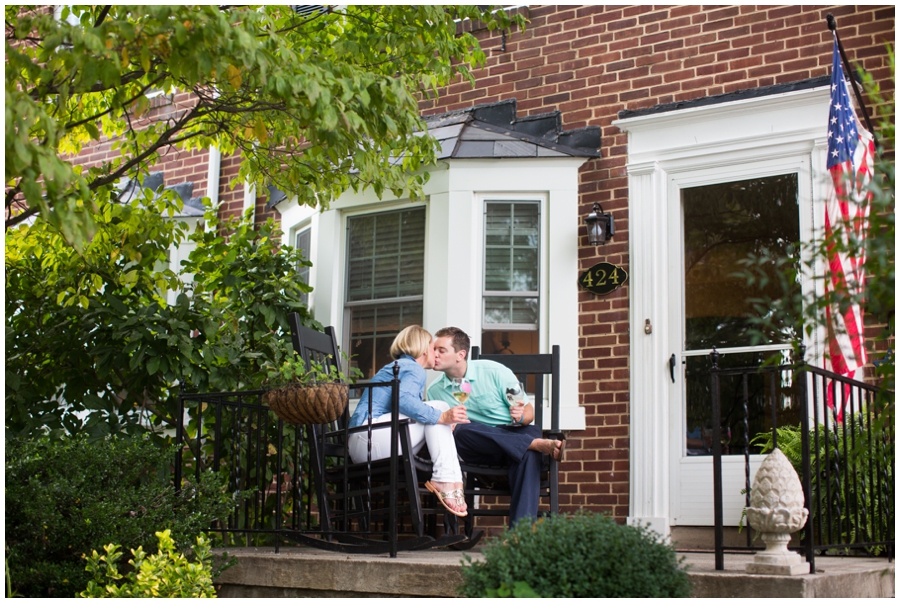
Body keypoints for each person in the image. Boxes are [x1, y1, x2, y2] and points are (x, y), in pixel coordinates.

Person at [426, 326, 565, 526]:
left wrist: (520, 416)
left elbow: (528, 412)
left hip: (513, 431)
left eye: (441, 350)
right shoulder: (435, 391)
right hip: (480, 446)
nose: (434, 355)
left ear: (460, 355)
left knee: (529, 454)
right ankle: (532, 443)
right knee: (460, 430)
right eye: (433, 349)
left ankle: (520, 534)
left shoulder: (494, 372)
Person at [348, 325, 470, 517]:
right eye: (433, 348)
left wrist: (441, 419)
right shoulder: (413, 368)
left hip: (364, 443)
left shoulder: (400, 367)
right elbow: (403, 401)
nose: (436, 354)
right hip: (369, 440)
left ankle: (452, 481)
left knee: (437, 411)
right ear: (423, 349)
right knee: (439, 407)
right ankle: (446, 479)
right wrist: (442, 417)